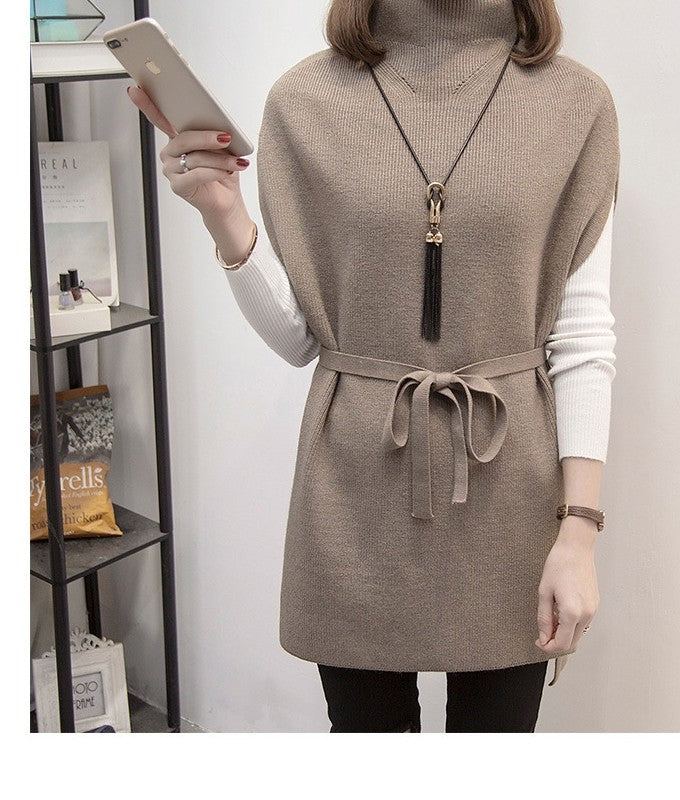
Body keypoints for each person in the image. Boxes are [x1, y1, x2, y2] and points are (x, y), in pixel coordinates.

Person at [127, 0, 619, 733]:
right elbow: (304, 338)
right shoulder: (305, 102)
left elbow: (581, 338)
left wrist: (579, 534)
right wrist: (222, 212)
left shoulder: (575, 103)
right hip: (353, 494)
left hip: (513, 495)